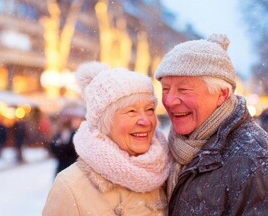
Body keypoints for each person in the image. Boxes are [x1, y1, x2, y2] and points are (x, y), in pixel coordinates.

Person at [154, 34, 268, 215]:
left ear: (222, 95)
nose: (169, 101)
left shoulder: (257, 162)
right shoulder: (166, 151)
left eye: (183, 89)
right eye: (165, 89)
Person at [43, 62, 172, 215]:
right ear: (105, 122)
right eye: (131, 111)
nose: (146, 121)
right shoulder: (70, 187)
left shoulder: (169, 173)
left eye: (150, 109)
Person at [49, 103, 85, 177]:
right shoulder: (59, 134)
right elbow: (54, 148)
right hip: (62, 168)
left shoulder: (77, 134)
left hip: (73, 170)